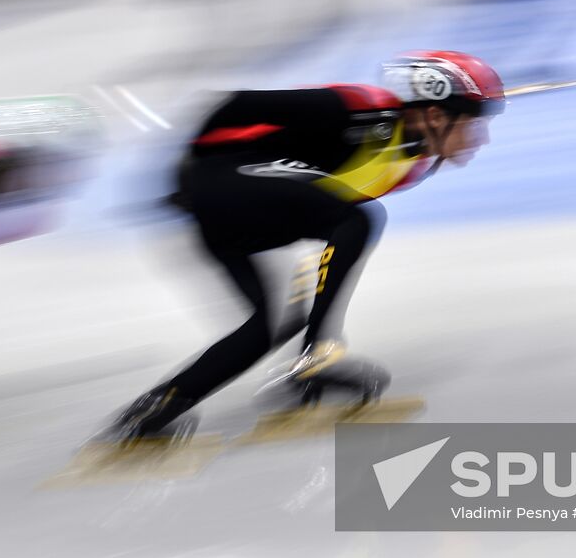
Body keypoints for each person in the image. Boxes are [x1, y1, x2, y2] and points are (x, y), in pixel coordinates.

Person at [105, 50, 505, 442]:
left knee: (271, 324)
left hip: (238, 211)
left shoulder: (406, 168)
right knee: (360, 218)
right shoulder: (361, 111)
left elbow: (317, 226)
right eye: (474, 123)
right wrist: (187, 175)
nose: (481, 138)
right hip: (219, 178)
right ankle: (316, 355)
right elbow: (230, 104)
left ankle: (157, 408)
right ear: (436, 114)